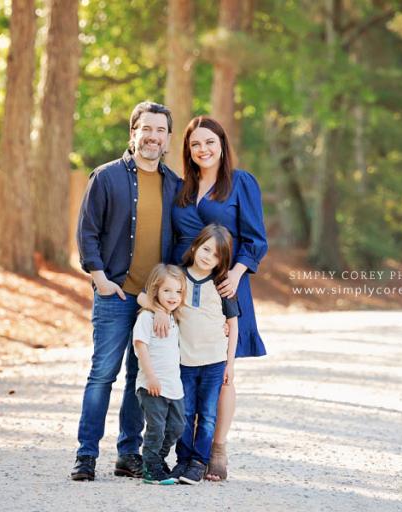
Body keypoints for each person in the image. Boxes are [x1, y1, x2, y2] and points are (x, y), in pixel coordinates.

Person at [71, 101, 182, 481]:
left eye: (160, 131)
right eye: (146, 129)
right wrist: (100, 278)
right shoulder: (106, 177)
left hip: (153, 306)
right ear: (133, 132)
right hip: (115, 296)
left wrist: (167, 302)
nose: (153, 136)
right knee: (103, 374)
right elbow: (87, 232)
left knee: (143, 378)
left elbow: (182, 243)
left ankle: (128, 455)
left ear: (168, 139)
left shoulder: (175, 186)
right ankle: (86, 455)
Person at [153, 116, 268, 481]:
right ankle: (187, 452)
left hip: (224, 287)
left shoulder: (240, 184)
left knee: (221, 374)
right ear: (188, 149)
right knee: (184, 368)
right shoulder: (180, 188)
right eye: (195, 144)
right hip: (183, 291)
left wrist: (235, 274)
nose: (203, 149)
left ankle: (217, 448)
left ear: (222, 145)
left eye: (210, 142)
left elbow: (255, 239)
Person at [169, 224, 239, 485]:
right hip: (184, 361)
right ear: (195, 246)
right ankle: (183, 460)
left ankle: (199, 461)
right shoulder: (177, 278)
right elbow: (156, 300)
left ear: (222, 261)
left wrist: (229, 365)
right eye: (206, 249)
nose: (209, 256)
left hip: (214, 362)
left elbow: (233, 325)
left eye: (216, 254)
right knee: (184, 413)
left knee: (207, 415)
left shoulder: (222, 285)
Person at [132, 264, 187, 485]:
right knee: (156, 427)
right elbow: (140, 346)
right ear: (155, 291)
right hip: (152, 385)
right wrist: (151, 377)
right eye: (167, 291)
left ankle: (157, 460)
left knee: (177, 426)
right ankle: (150, 467)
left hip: (174, 386)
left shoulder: (174, 318)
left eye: (178, 291)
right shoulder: (147, 317)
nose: (173, 296)